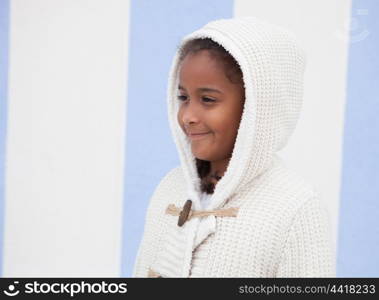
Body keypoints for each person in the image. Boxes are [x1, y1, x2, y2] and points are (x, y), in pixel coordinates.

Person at [132, 16, 335, 278]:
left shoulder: (295, 209)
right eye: (183, 97)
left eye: (207, 99)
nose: (187, 116)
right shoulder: (170, 188)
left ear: (257, 107)